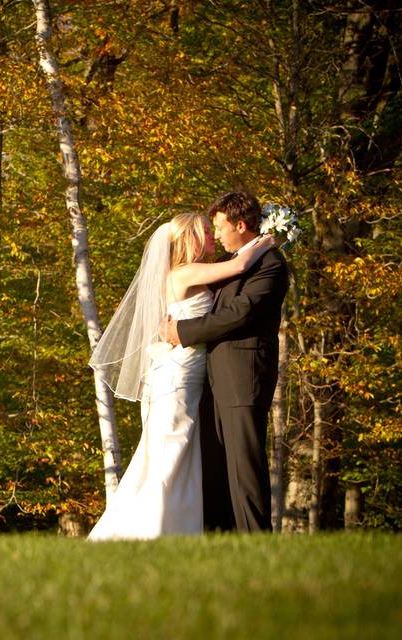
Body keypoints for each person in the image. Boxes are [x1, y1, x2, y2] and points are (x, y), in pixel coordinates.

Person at [87, 211, 274, 540]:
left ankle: (180, 526)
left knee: (177, 451)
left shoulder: (188, 274)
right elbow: (240, 267)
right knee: (171, 450)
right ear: (190, 238)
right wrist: (268, 239)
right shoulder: (187, 272)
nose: (213, 236)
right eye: (206, 230)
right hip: (181, 375)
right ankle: (153, 530)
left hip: (185, 372)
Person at [163, 191, 289, 532]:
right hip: (212, 378)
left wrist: (182, 331)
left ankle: (255, 540)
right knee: (217, 465)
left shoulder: (270, 263)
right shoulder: (236, 262)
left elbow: (239, 313)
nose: (216, 235)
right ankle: (222, 538)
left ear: (241, 225)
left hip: (243, 377)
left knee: (244, 465)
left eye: (219, 227)